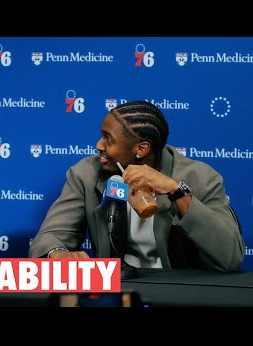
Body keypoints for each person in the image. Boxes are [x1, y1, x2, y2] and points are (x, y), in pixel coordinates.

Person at [29, 100, 245, 272]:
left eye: (108, 139)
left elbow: (230, 257)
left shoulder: (200, 177)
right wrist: (57, 253)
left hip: (181, 291)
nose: (98, 145)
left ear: (141, 149)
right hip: (116, 291)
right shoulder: (85, 173)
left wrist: (176, 191)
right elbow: (51, 236)